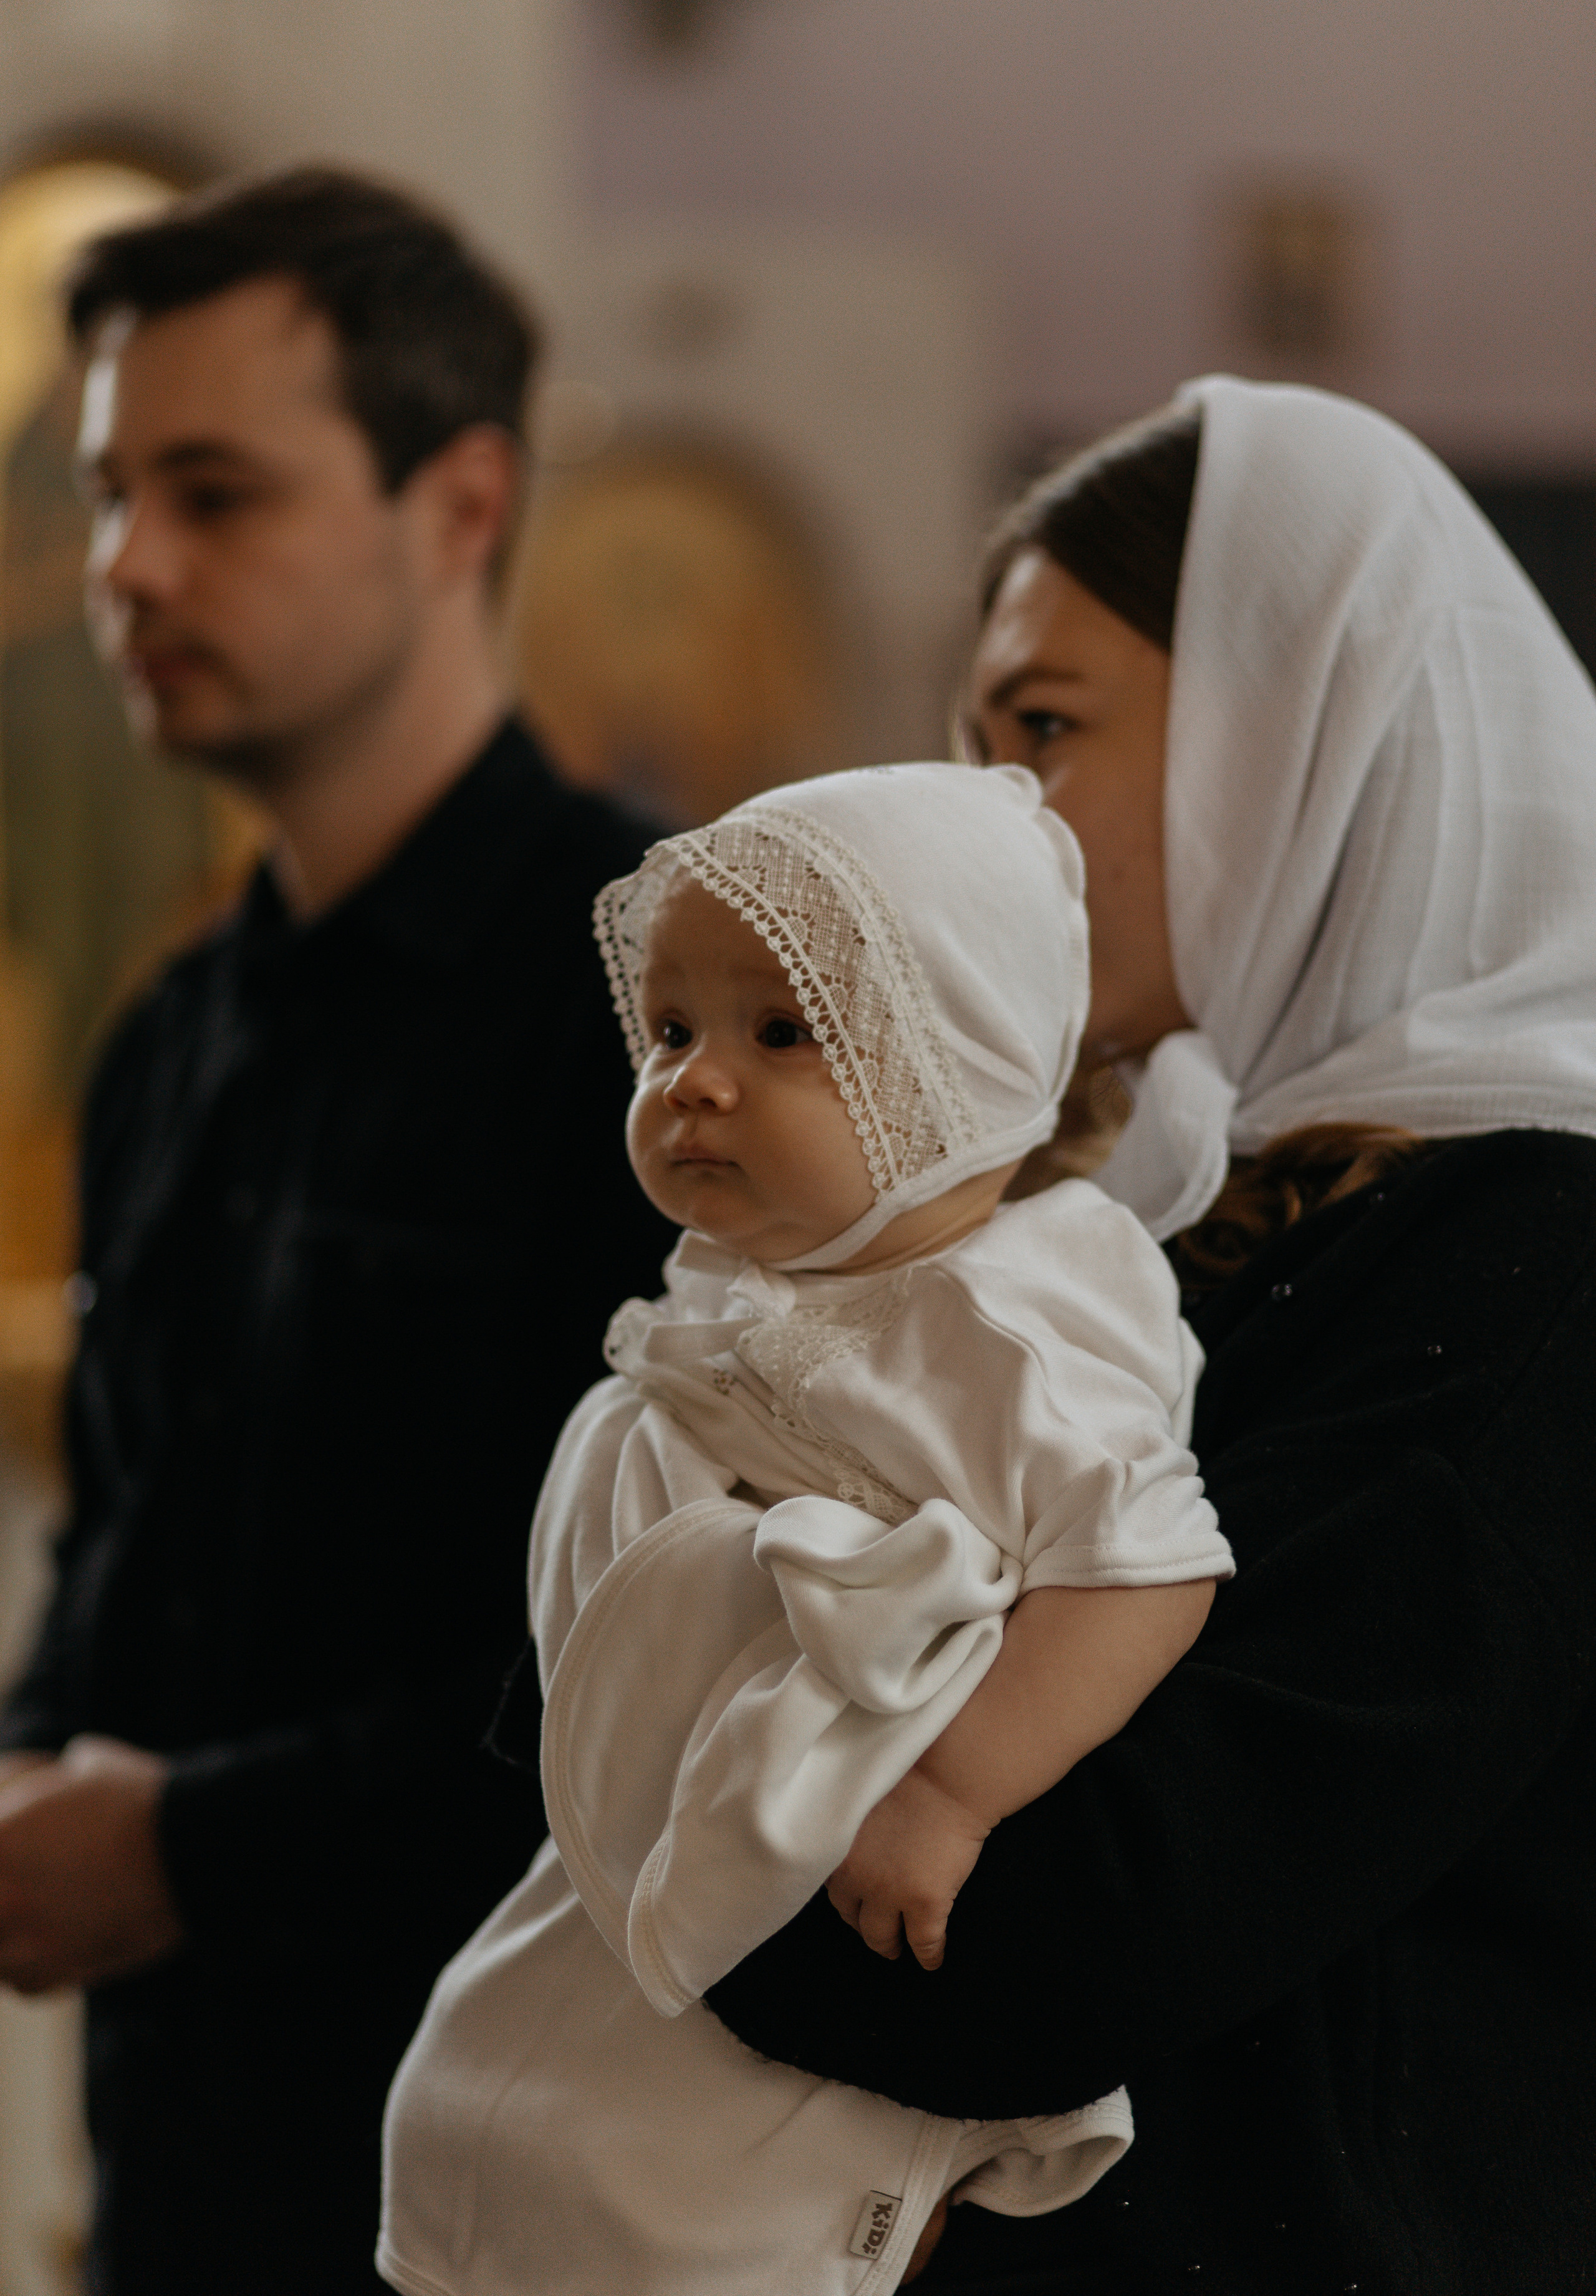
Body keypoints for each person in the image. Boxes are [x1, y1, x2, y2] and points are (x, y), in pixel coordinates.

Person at [678, 377, 1596, 2295]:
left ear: (1309, 749)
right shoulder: (1179, 1210)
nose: (987, 818)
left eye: (1046, 732)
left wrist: (634, 1785)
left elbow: (1043, 1945)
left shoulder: (1540, 1257)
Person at [0, 168, 670, 2295]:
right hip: (185, 2173)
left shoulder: (664, 1014)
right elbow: (128, 1555)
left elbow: (686, 1671)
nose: (126, 566)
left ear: (458, 505)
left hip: (511, 2202)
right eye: (111, 494)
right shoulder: (176, 1029)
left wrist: (192, 1847)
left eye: (214, 493)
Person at [377, 759, 1234, 2296]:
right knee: (490, 2096)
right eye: (669, 1029)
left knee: (675, 2189)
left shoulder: (1003, 1323)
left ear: (956, 1064)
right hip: (668, 1821)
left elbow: (1147, 1569)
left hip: (845, 1849)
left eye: (784, 1033)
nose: (696, 1079)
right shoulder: (758, 1291)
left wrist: (954, 1795)